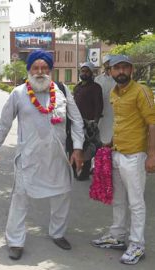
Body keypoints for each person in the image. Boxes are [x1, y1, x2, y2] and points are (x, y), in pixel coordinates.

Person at [0, 50, 84, 260]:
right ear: (29, 70)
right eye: (36, 68)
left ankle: (57, 233)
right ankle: (15, 241)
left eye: (44, 68)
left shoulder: (62, 91)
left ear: (50, 70)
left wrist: (77, 149)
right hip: (28, 157)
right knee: (20, 198)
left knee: (62, 194)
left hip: (57, 155)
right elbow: (4, 123)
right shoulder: (19, 93)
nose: (40, 72)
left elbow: (76, 120)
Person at [91, 55, 155, 265]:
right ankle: (117, 235)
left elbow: (152, 124)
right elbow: (122, 122)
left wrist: (152, 155)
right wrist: (110, 144)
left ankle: (137, 244)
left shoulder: (141, 91)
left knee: (136, 202)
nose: (120, 72)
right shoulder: (114, 93)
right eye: (116, 68)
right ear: (110, 72)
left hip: (135, 156)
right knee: (118, 199)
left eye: (124, 68)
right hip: (117, 153)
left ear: (131, 70)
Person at [73, 62, 103, 180]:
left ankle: (84, 173)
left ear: (91, 73)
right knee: (76, 146)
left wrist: (95, 121)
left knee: (88, 148)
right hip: (76, 122)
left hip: (89, 122)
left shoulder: (95, 87)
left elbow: (99, 105)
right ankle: (75, 170)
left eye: (87, 71)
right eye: (82, 71)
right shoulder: (78, 87)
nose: (84, 73)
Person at [95, 55, 116, 145]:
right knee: (102, 135)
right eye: (106, 63)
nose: (108, 65)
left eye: (110, 62)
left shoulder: (118, 78)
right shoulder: (98, 79)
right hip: (102, 111)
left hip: (115, 111)